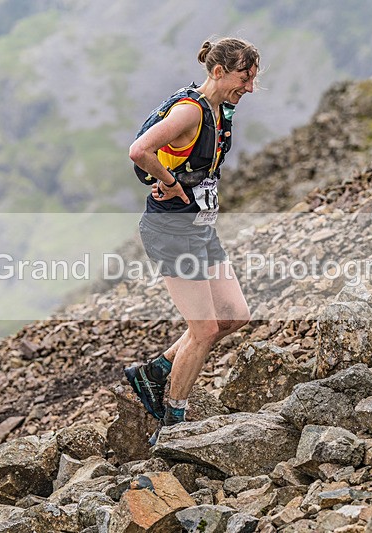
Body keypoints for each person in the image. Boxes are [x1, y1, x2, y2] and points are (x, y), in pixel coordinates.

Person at [125, 37, 259, 439]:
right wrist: (169, 182)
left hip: (200, 228)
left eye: (253, 80)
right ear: (218, 72)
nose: (249, 88)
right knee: (203, 330)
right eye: (244, 78)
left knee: (234, 315)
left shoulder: (222, 109)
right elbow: (139, 150)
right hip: (172, 231)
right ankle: (172, 423)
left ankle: (156, 371)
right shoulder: (190, 113)